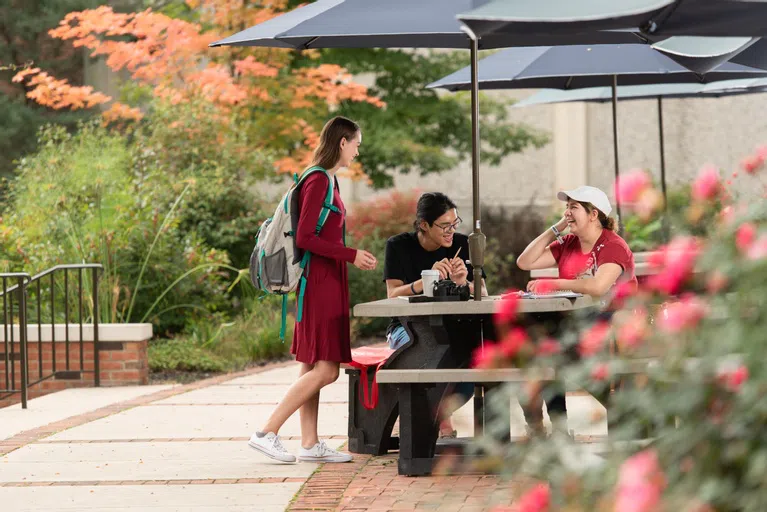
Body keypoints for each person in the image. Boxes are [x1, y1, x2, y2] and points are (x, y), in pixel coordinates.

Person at [248, 117, 378, 463]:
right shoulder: (318, 179)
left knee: (310, 365)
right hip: (320, 283)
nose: (357, 150)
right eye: (356, 143)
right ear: (342, 143)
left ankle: (309, 444)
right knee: (328, 369)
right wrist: (352, 255)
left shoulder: (326, 179)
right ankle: (267, 431)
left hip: (325, 280)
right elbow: (306, 237)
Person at [516, 185, 637, 436]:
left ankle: (619, 415)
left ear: (593, 214)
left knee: (556, 355)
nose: (567, 212)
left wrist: (554, 284)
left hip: (611, 321)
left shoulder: (612, 245)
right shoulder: (569, 243)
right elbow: (525, 262)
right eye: (566, 207)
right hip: (574, 322)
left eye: (573, 207)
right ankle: (558, 428)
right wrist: (558, 227)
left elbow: (598, 286)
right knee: (543, 352)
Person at [383, 192, 487, 437]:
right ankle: (434, 419)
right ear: (424, 225)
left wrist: (463, 282)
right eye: (444, 226)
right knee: (439, 352)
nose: (451, 231)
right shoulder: (399, 246)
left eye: (455, 223)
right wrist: (424, 280)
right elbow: (391, 295)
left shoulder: (463, 244)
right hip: (406, 330)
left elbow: (483, 292)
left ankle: (434, 415)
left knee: (470, 360)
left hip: (453, 329)